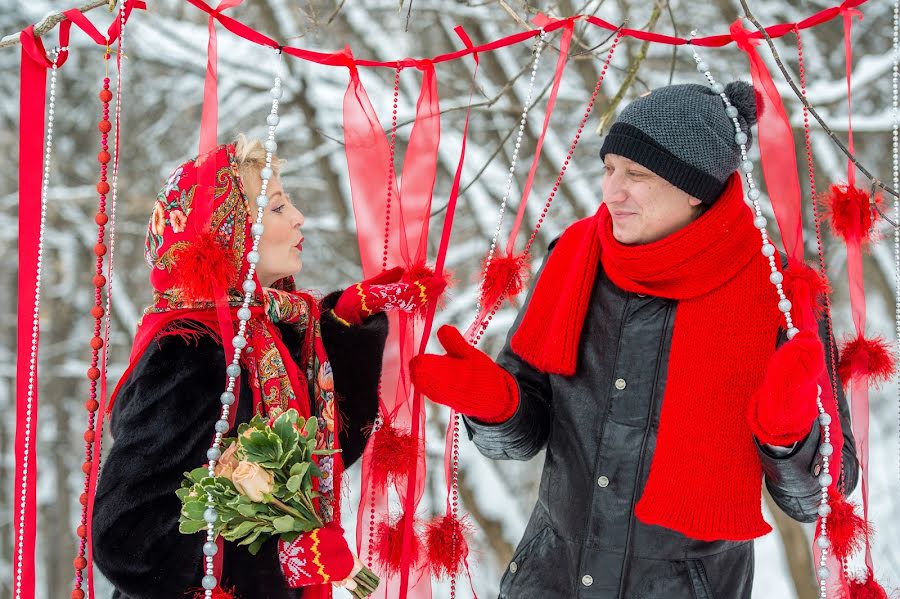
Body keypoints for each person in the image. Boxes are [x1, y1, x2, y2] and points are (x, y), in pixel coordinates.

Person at [410, 82, 858, 598]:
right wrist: (497, 408)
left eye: (637, 175)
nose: (611, 192)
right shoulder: (574, 258)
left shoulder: (780, 293)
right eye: (609, 169)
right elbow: (525, 434)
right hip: (550, 581)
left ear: (696, 187)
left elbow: (823, 494)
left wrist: (788, 439)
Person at [93, 137, 442, 598]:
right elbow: (127, 539)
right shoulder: (191, 350)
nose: (299, 217)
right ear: (230, 233)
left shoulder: (270, 331)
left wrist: (346, 322)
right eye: (277, 207)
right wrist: (284, 553)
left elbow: (326, 458)